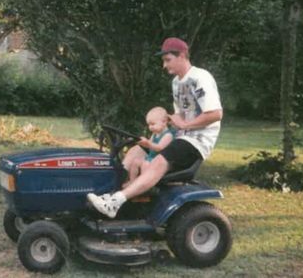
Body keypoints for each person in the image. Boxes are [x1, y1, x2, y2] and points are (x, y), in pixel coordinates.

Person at [87, 37, 223, 218]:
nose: (164, 65)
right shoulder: (176, 82)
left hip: (196, 141)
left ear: (182, 55)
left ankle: (116, 202)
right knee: (136, 149)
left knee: (159, 161)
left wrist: (185, 124)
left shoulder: (200, 77)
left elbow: (215, 114)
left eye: (168, 60)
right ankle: (112, 193)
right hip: (180, 135)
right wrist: (168, 122)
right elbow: (181, 114)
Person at [123, 107, 174, 188]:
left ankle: (144, 185)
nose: (150, 127)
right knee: (136, 162)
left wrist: (148, 143)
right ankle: (132, 182)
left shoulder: (168, 135)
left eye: (153, 124)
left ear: (164, 122)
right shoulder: (155, 134)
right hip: (150, 157)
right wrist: (141, 142)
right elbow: (149, 145)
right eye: (149, 125)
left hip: (158, 160)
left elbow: (159, 148)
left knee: (145, 165)